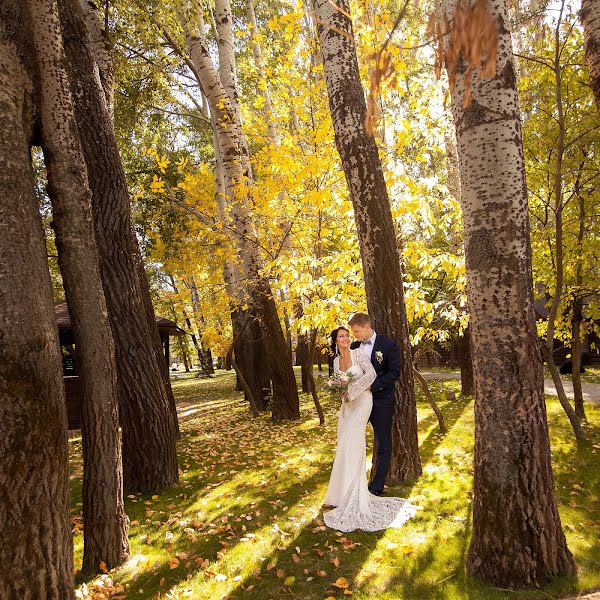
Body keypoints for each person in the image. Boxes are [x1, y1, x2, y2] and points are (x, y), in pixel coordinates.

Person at [323, 326, 415, 532]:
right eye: (341, 336)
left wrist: (354, 390)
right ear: (335, 341)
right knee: (344, 445)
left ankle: (356, 492)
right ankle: (340, 493)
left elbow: (371, 374)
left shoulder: (359, 353)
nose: (346, 338)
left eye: (347, 335)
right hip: (347, 405)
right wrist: (341, 392)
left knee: (354, 443)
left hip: (363, 402)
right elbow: (340, 384)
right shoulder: (336, 361)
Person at [349, 312, 399, 495]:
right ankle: (354, 483)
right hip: (359, 402)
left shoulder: (387, 345)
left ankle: (377, 485)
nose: (354, 336)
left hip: (381, 401)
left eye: (356, 331)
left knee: (382, 442)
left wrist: (372, 386)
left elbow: (394, 373)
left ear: (366, 327)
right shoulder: (354, 347)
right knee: (353, 440)